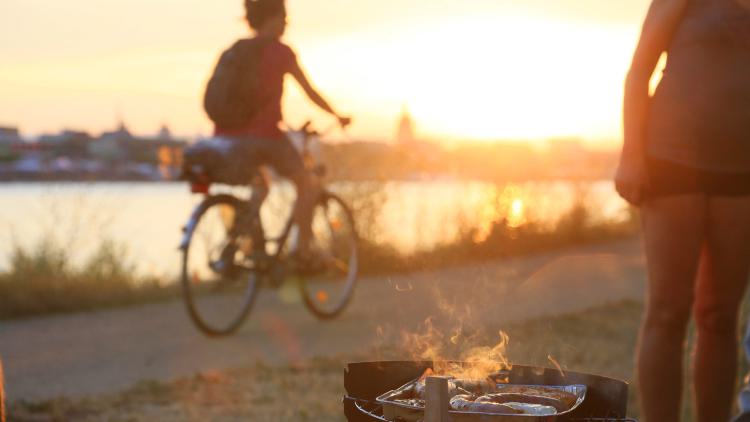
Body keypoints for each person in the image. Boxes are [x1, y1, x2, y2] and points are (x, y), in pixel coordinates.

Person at [615, 0, 750, 420]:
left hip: (743, 170)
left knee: (720, 316)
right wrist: (632, 155)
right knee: (668, 311)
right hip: (670, 161)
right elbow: (639, 71)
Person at [210, 0, 350, 267]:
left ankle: (240, 247)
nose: (286, 23)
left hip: (227, 138)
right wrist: (337, 116)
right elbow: (310, 91)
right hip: (264, 137)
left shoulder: (236, 50)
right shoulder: (281, 52)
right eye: (283, 17)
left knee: (260, 185)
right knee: (306, 182)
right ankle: (303, 252)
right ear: (272, 19)